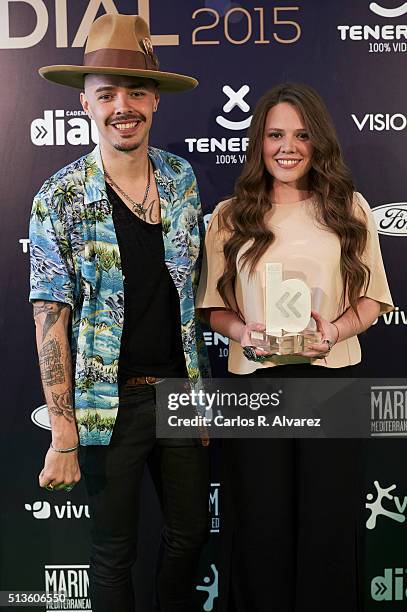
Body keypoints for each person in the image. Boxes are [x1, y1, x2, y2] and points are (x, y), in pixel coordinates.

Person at [29, 14, 210, 612]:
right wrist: (62, 434)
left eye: (135, 91)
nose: (122, 106)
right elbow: (50, 318)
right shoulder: (58, 199)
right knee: (113, 554)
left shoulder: (181, 178)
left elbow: (192, 297)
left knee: (187, 541)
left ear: (154, 99)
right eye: (107, 93)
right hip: (109, 403)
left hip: (181, 395)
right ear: (86, 102)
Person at [196, 83, 393, 612]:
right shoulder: (229, 215)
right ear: (258, 141)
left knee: (329, 527)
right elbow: (214, 308)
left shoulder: (350, 209)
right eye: (276, 134)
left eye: (302, 135)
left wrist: (332, 332)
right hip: (254, 388)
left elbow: (372, 301)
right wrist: (244, 333)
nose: (288, 147)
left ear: (318, 142)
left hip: (332, 387)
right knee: (260, 528)